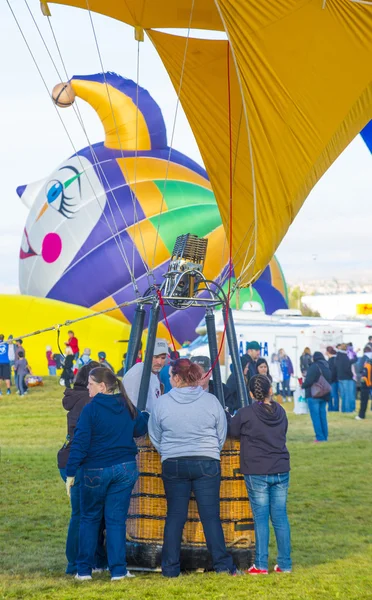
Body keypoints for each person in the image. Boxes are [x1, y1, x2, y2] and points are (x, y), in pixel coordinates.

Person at [149, 358, 236, 577]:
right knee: (211, 517)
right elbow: (221, 432)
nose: (169, 379)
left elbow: (155, 435)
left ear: (177, 378)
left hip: (173, 462)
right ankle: (223, 566)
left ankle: (170, 568)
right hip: (206, 461)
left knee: (175, 517)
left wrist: (169, 452)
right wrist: (211, 451)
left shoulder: (162, 403)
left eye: (170, 376)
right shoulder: (211, 401)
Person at [65, 367, 149, 581]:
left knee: (89, 519)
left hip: (96, 470)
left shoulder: (91, 409)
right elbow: (140, 428)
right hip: (125, 468)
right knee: (116, 521)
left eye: (91, 384)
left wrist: (71, 472)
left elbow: (80, 442)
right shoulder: (126, 405)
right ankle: (118, 570)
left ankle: (83, 570)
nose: (88, 388)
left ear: (102, 386)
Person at [228, 374, 291, 575]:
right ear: (270, 390)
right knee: (280, 517)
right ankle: (285, 564)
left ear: (250, 393)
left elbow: (232, 431)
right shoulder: (281, 412)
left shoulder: (245, 413)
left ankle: (261, 565)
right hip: (280, 468)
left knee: (261, 518)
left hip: (257, 470)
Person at [57, 361, 102, 575]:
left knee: (81, 514)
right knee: (86, 514)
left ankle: (77, 561)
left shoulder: (75, 398)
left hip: (68, 460)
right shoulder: (90, 401)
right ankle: (80, 562)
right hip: (81, 461)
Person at [123, 338, 168, 411]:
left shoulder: (152, 373)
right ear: (146, 353)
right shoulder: (137, 374)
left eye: (163, 358)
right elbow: (131, 408)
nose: (159, 362)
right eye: (156, 357)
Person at [302, 351, 331, 442]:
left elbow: (309, 381)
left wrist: (303, 385)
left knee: (316, 417)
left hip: (314, 395)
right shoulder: (327, 366)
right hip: (324, 395)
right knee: (323, 416)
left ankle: (319, 437)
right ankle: (325, 436)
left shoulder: (314, 366)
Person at [335, 343, 357, 413]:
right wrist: (351, 375)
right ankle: (348, 410)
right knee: (348, 395)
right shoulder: (345, 356)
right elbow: (347, 367)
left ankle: (343, 409)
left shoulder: (337, 356)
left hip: (340, 377)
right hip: (347, 378)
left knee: (343, 395)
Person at [355, 346, 372, 420]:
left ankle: (361, 415)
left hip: (366, 381)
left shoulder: (363, 359)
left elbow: (359, 369)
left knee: (364, 399)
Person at [326, 346, 339, 412]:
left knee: (331, 395)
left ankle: (331, 408)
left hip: (331, 380)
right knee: (335, 395)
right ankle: (335, 408)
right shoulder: (336, 359)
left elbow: (331, 371)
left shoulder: (331, 360)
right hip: (336, 379)